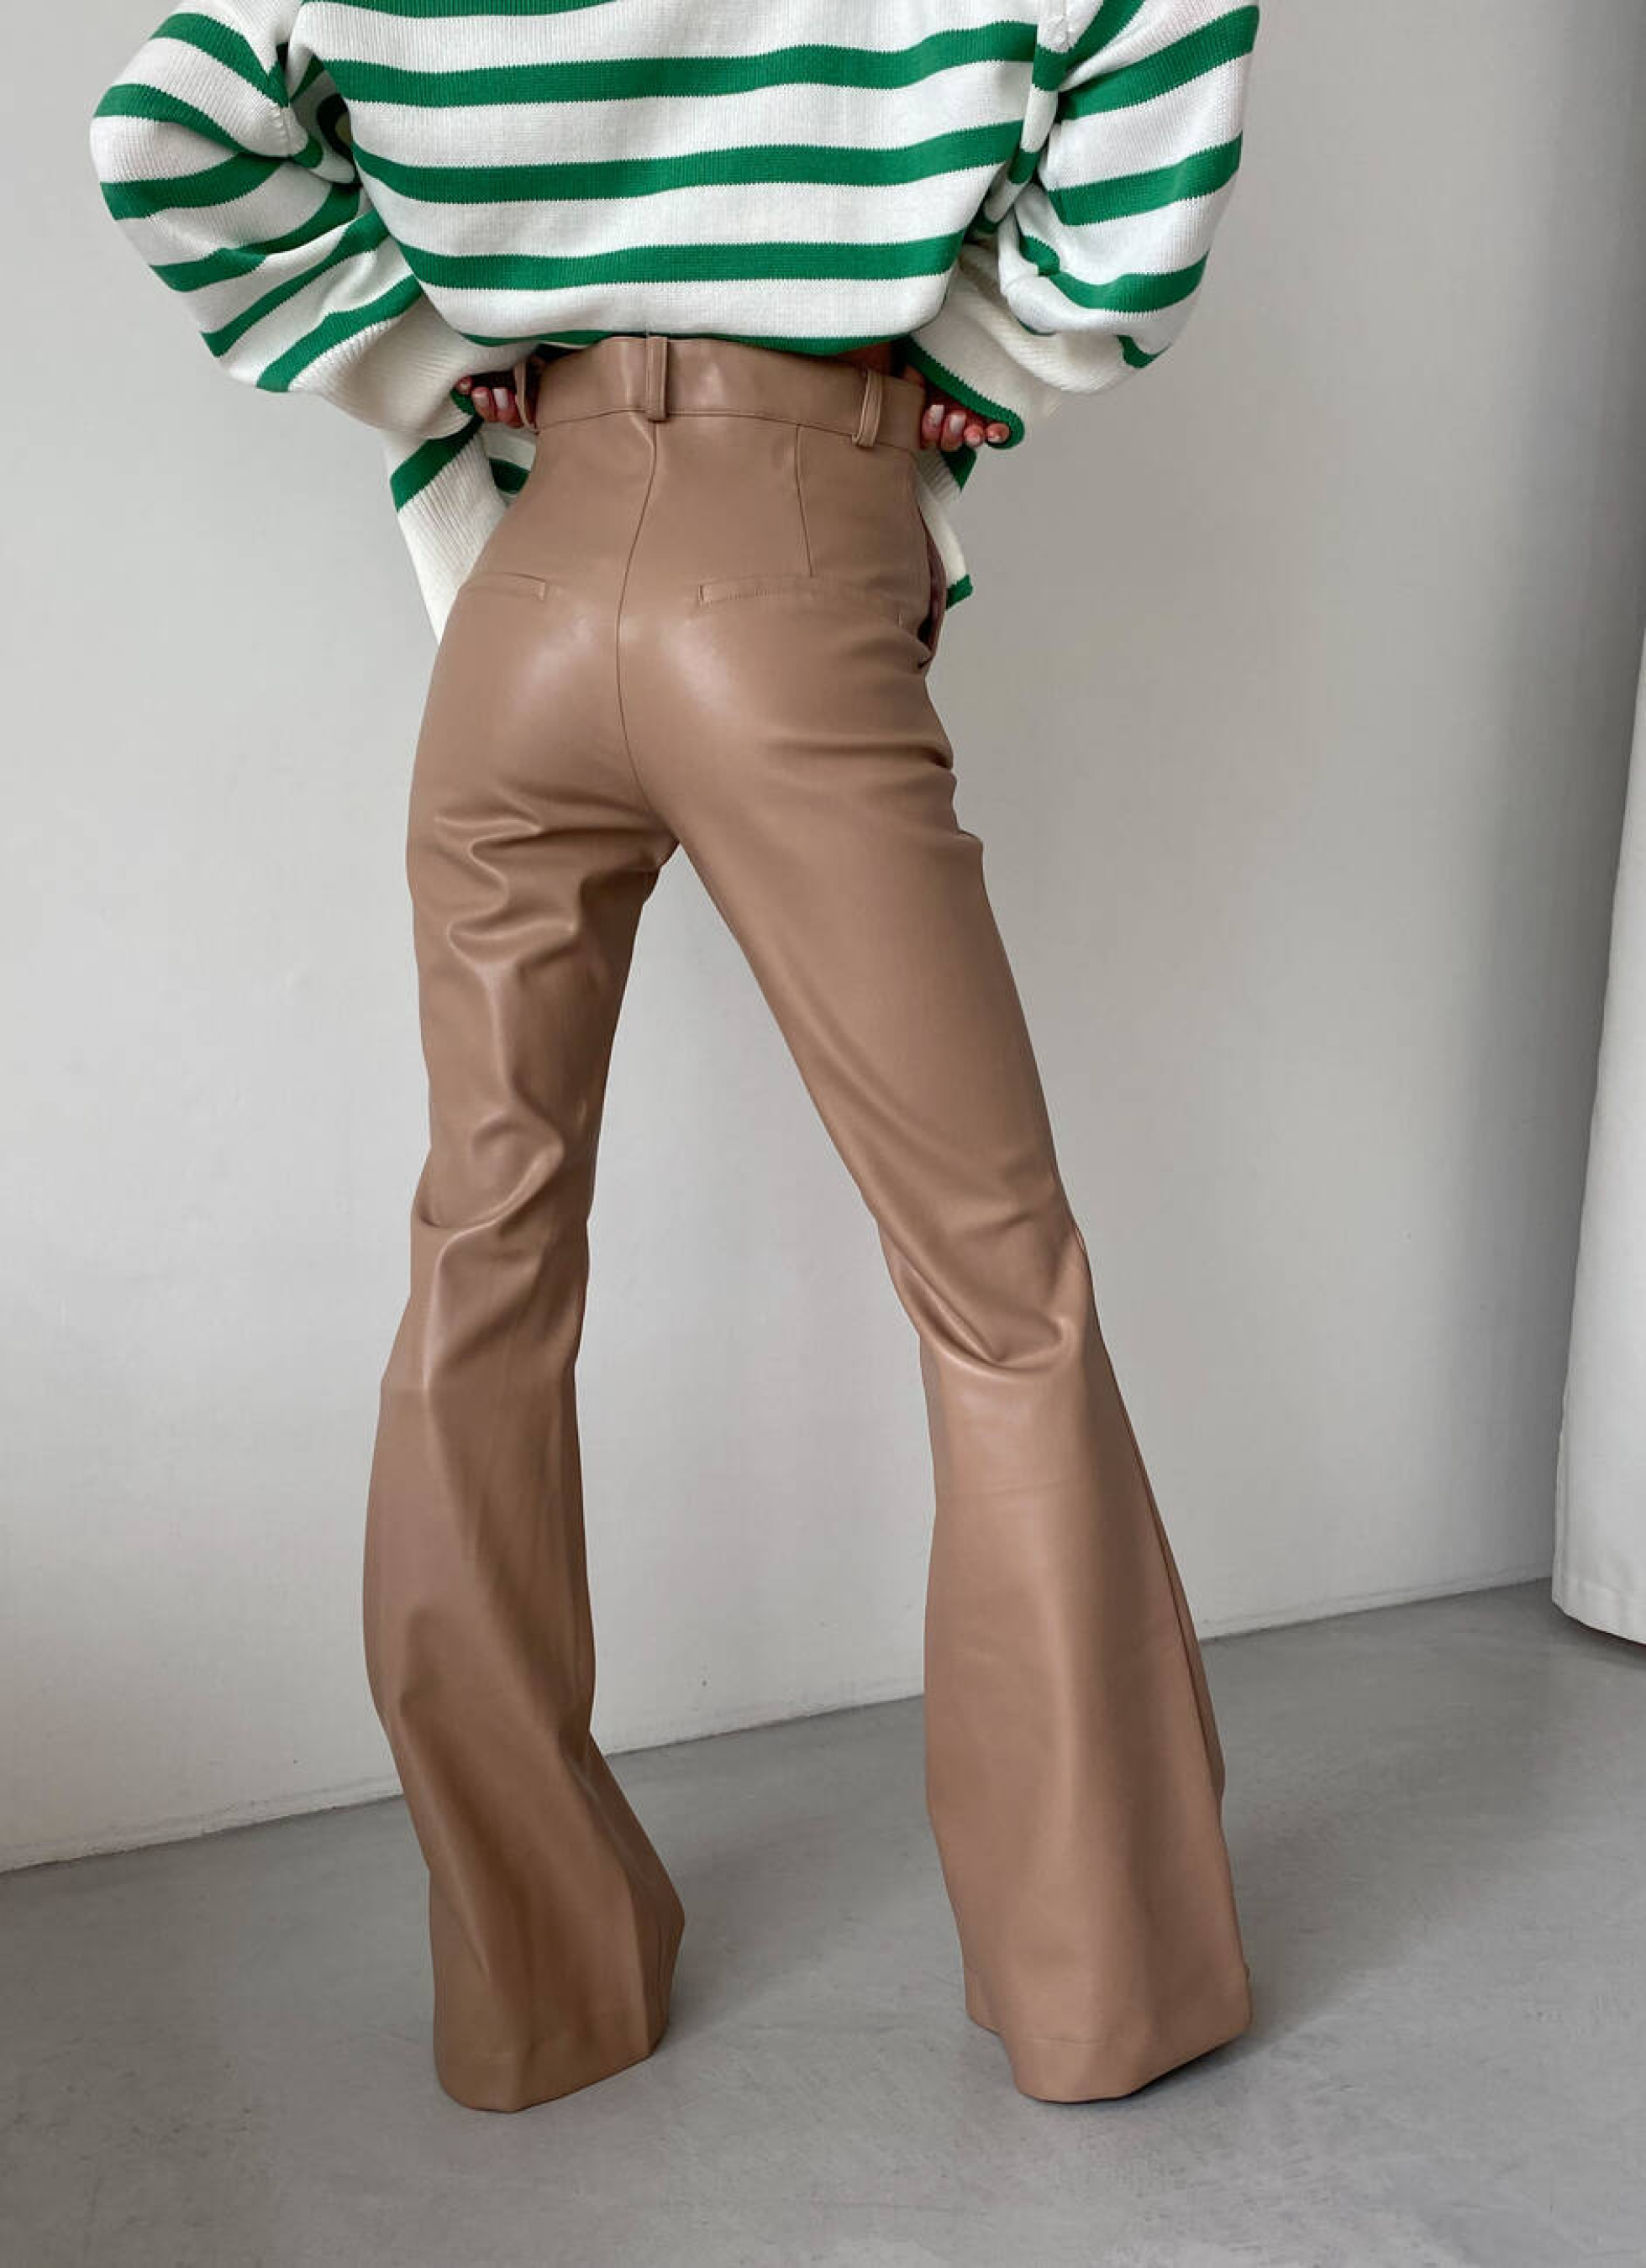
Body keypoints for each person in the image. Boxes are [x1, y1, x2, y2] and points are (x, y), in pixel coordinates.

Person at [90, 0, 1264, 2114]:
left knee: (481, 1264)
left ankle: (530, 1996)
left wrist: (420, 364)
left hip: (530, 594)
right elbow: (1162, 44)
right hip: (791, 541)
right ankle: (1096, 1989)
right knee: (997, 1292)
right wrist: (990, 351)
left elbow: (163, 129)